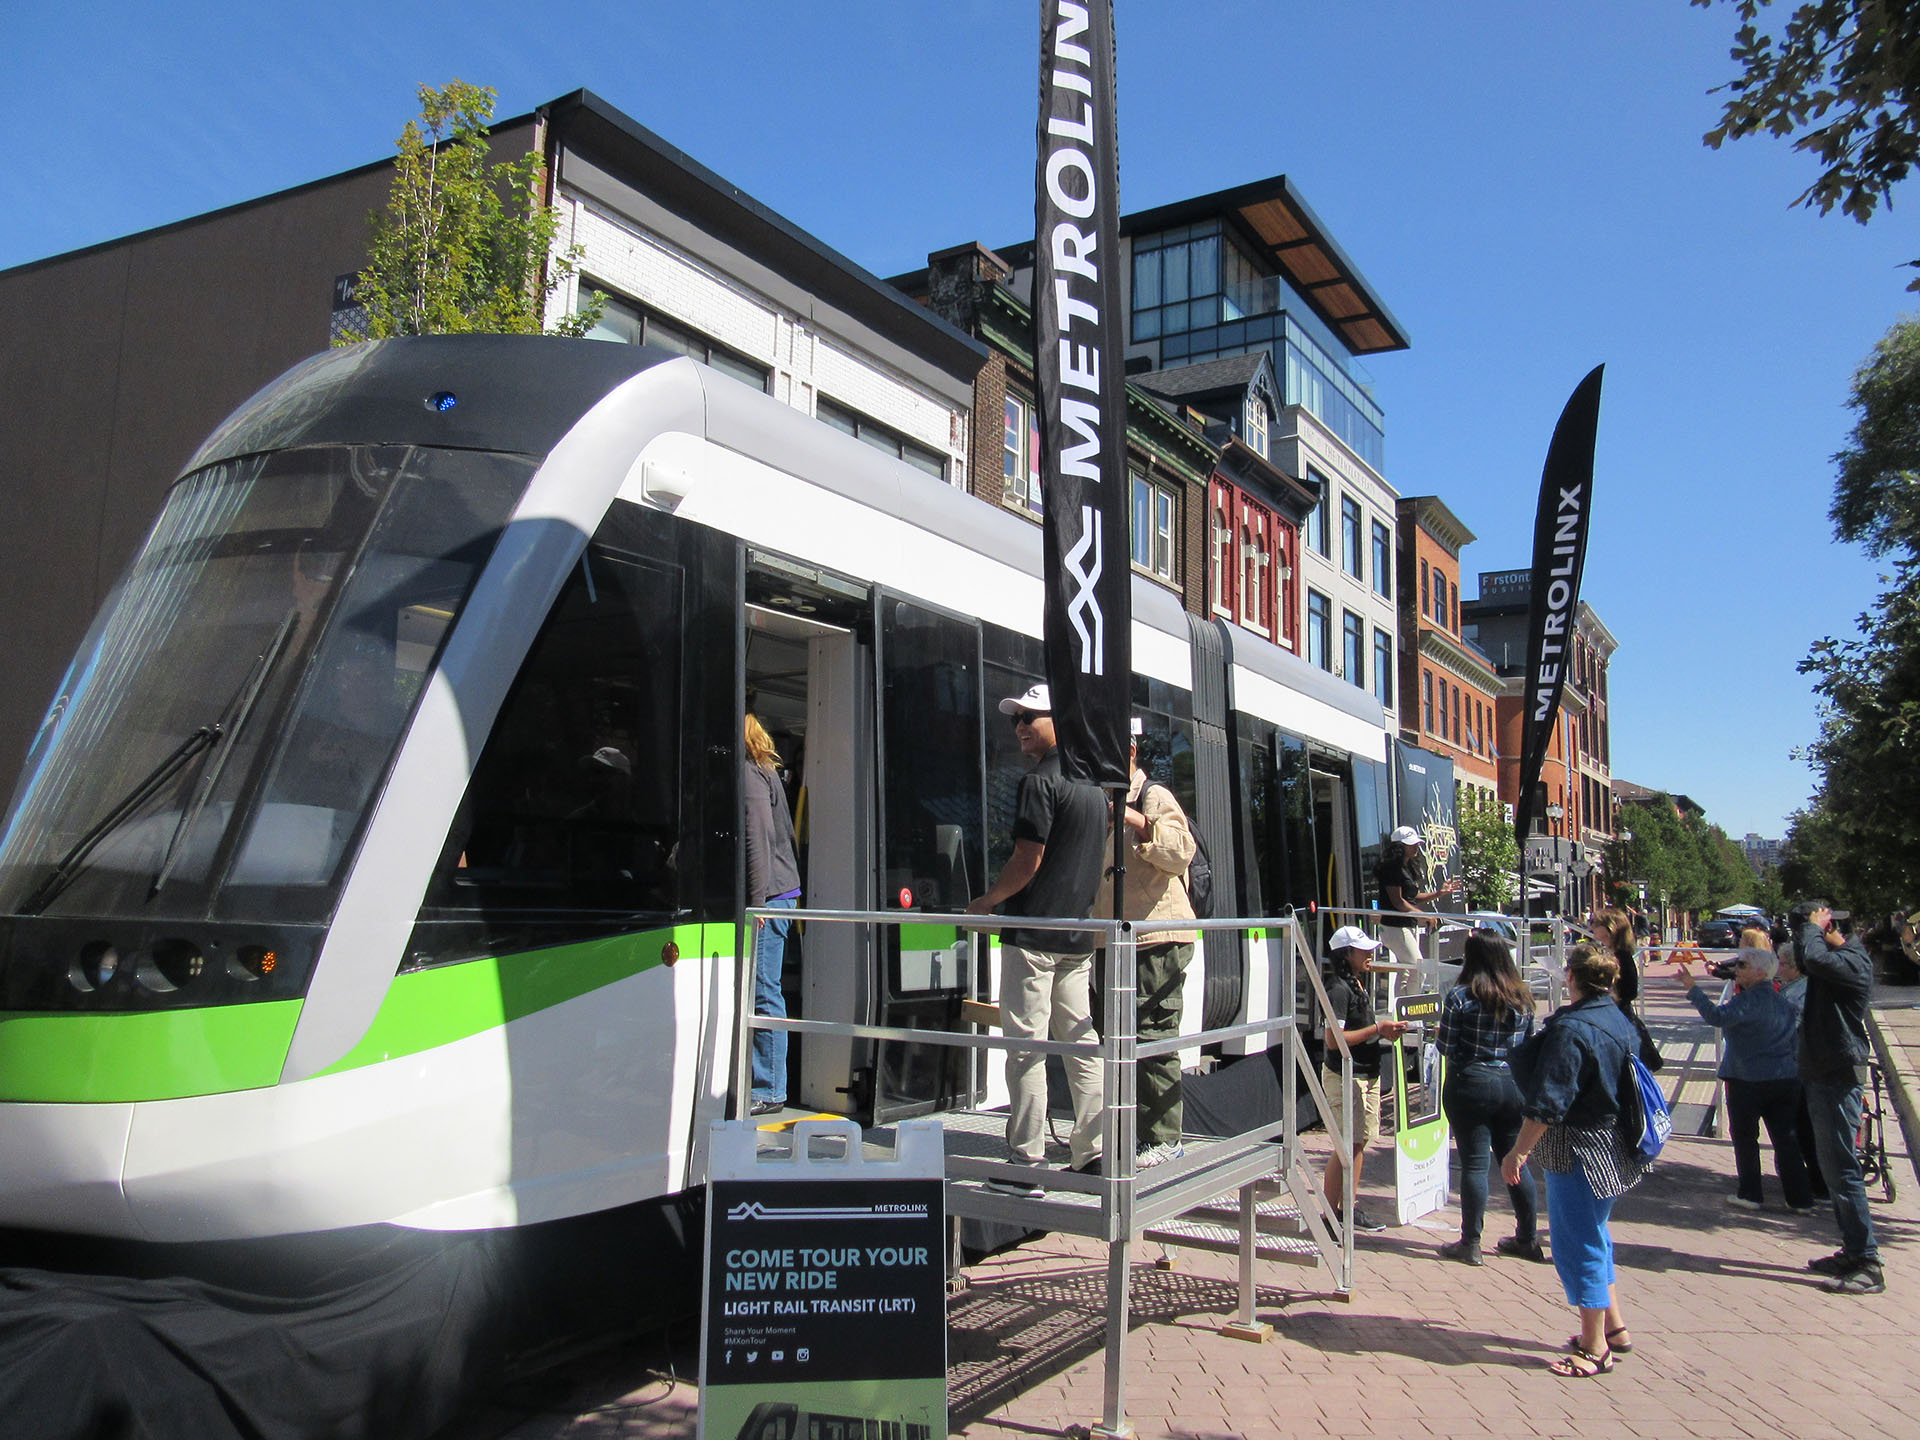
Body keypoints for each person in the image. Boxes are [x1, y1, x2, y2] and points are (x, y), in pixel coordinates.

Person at [967, 684, 1108, 1192]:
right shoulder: (1095, 788)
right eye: (1016, 720)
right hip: (1078, 938)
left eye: (1031, 716)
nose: (1021, 726)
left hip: (1032, 937)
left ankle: (1026, 1165)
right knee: (1081, 1045)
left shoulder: (1038, 784)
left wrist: (987, 901)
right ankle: (1091, 1154)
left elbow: (1028, 860)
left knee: (1026, 1048)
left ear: (1059, 721)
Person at [1503, 943, 1647, 1377]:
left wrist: (1518, 1150)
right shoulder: (1620, 1018)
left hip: (1576, 1149)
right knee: (1596, 1234)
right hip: (1611, 1144)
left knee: (1575, 1242)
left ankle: (1594, 1346)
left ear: (1571, 978)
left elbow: (1550, 1102)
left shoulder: (1572, 1029)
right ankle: (1614, 1328)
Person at [1092, 718, 1197, 1170]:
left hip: (1155, 938)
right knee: (1115, 1037)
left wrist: (1135, 818)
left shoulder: (1152, 795)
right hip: (1114, 941)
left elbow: (1181, 849)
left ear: (1130, 751)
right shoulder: (1098, 801)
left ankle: (1164, 1141)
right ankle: (1129, 1135)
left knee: (1153, 1034)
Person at [1672, 942, 1813, 1212]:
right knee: (1786, 1139)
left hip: (1747, 1080)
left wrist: (1692, 989)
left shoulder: (1748, 1001)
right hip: (1784, 1078)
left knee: (1746, 1138)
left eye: (1742, 965)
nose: (1736, 969)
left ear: (1760, 973)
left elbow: (1716, 1016)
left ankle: (1751, 1193)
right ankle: (1800, 1198)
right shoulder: (1783, 1000)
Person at [1435, 931, 1544, 1265]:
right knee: (1514, 1160)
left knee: (1474, 1163)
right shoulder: (1522, 998)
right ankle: (1528, 1238)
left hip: (1471, 1081)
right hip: (1511, 1084)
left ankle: (1471, 1243)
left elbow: (1446, 1048)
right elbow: (1528, 1047)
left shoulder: (1460, 996)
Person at [1795, 902, 1883, 1293]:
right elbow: (1807, 957)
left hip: (1838, 1077)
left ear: (1831, 927)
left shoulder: (1852, 962)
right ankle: (1852, 1248)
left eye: (1811, 930)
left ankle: (1869, 1260)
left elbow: (1812, 956)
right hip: (1822, 1074)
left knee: (1844, 1171)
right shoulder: (1834, 959)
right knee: (1833, 1172)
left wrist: (1814, 927)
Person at [1317, 926, 1410, 1231]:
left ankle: (1348, 1208)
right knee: (1346, 1145)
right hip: (1347, 1076)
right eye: (1363, 950)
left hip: (1366, 1074)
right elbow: (1334, 1040)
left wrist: (1384, 1032)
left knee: (1357, 1142)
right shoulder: (1338, 989)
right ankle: (1331, 1214)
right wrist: (1378, 1030)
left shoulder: (1356, 983)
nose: (1371, 955)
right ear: (1347, 954)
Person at [743, 714, 802, 1118]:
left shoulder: (748, 775)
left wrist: (757, 901)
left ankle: (769, 1088)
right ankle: (767, 1082)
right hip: (782, 891)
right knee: (766, 987)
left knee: (764, 989)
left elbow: (756, 838)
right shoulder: (768, 773)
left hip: (770, 896)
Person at [1776, 941, 1831, 1201]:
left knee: (1802, 1127)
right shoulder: (1813, 988)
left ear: (1794, 967)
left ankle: (1816, 1182)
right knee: (1812, 1126)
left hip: (1799, 1067)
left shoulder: (1792, 995)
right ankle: (1821, 1180)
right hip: (1818, 1064)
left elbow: (1787, 1032)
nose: (1779, 968)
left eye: (1782, 964)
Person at [1376, 827, 1445, 978]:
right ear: (1399, 847)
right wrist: (1425, 916)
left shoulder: (1406, 868)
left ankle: (1403, 1000)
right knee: (1419, 970)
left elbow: (1412, 898)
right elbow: (1398, 902)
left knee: (1406, 972)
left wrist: (1439, 893)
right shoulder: (1391, 868)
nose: (1416, 847)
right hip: (1395, 927)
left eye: (1417, 843)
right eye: (1411, 843)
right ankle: (1412, 1001)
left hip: (1406, 925)